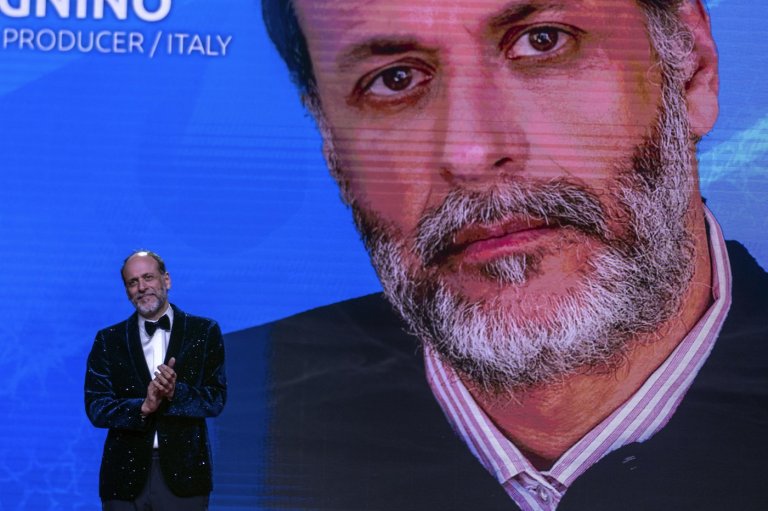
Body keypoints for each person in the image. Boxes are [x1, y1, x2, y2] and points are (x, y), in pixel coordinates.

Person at [218, 0, 767, 509]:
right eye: (395, 79)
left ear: (691, 67)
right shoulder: (207, 425)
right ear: (333, 147)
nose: (472, 153)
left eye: (543, 41)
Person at [85, 250, 227, 510]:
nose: (142, 287)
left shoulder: (204, 331)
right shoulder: (108, 339)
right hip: (123, 478)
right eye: (133, 282)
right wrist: (143, 407)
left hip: (185, 477)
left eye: (148, 277)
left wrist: (175, 393)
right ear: (127, 291)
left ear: (166, 280)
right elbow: (96, 407)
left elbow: (215, 399)